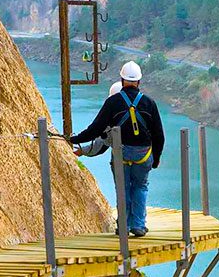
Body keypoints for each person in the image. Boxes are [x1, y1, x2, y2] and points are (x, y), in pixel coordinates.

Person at [70, 61, 165, 237]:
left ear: (122, 80)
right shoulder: (149, 103)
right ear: (139, 81)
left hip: (121, 153)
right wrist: (156, 158)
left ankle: (124, 226)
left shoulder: (113, 102)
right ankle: (138, 225)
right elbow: (159, 134)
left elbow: (96, 129)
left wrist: (75, 139)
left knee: (123, 189)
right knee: (141, 186)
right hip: (144, 154)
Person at [73, 82, 122, 157]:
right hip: (144, 157)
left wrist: (80, 148)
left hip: (123, 160)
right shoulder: (142, 105)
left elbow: (99, 147)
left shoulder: (111, 121)